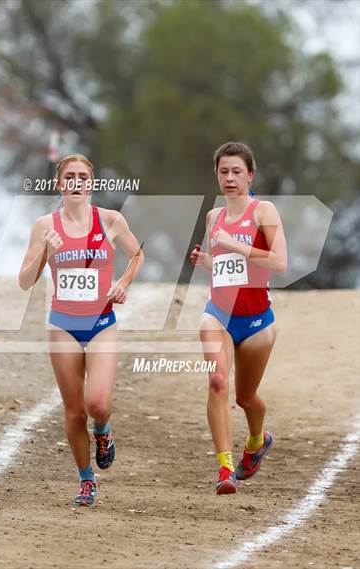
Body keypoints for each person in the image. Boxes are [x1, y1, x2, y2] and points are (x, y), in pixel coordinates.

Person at [19, 154, 144, 506]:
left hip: (102, 323)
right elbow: (24, 281)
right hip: (63, 327)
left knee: (98, 403)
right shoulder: (45, 225)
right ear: (60, 184)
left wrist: (123, 283)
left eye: (83, 176)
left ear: (92, 183)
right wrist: (45, 249)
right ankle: (87, 479)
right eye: (69, 176)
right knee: (74, 410)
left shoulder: (110, 220)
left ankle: (103, 431)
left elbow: (137, 255)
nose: (76, 181)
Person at [190, 142, 287, 495]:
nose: (229, 178)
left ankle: (257, 441)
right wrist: (208, 263)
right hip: (218, 314)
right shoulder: (213, 217)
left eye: (236, 172)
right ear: (216, 174)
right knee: (217, 382)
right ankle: (225, 468)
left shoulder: (264, 211)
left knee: (246, 398)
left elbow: (279, 262)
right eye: (223, 171)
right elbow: (230, 271)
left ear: (250, 175)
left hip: (258, 321)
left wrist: (235, 245)